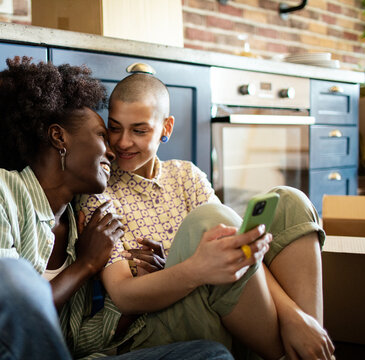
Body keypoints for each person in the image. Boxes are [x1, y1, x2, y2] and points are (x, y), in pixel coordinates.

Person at [0, 57, 233, 360]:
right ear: (59, 137)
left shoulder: (79, 226)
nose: (113, 150)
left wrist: (143, 282)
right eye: (103, 134)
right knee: (6, 278)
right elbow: (1, 311)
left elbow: (78, 343)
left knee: (209, 353)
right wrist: (85, 265)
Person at [77, 72, 335, 360]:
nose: (123, 142)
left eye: (139, 131)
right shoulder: (99, 191)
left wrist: (294, 316)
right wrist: (198, 268)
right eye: (114, 128)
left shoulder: (186, 175)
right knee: (209, 221)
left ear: (166, 128)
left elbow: (238, 251)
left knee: (290, 201)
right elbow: (123, 295)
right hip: (151, 327)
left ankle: (308, 335)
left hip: (224, 309)